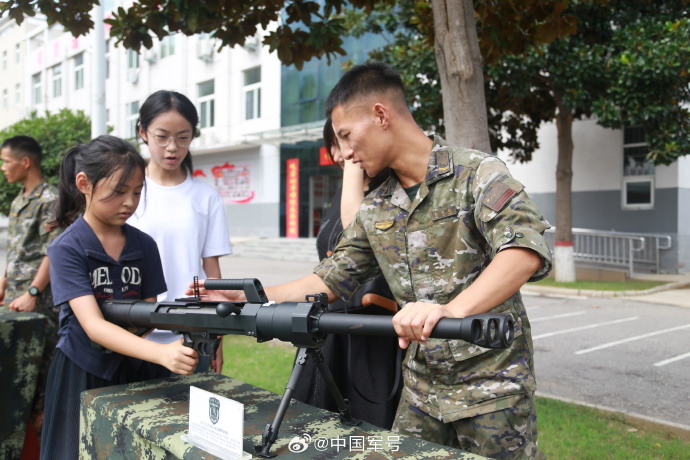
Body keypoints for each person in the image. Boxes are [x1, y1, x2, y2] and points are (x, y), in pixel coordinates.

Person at [192, 63, 552, 459]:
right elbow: (331, 279)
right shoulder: (378, 205)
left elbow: (524, 252)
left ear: (381, 115)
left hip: (492, 388)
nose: (344, 152)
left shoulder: (476, 173)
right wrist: (251, 297)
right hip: (422, 390)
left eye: (346, 135)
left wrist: (448, 310)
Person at [41, 135, 199, 459]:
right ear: (84, 183)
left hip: (138, 368)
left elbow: (148, 310)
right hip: (83, 369)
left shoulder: (144, 245)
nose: (129, 202)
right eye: (118, 191)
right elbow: (93, 326)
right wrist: (160, 354)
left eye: (138, 192)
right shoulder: (67, 248)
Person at [291, 119, 402, 429]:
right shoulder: (343, 193)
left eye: (345, 143)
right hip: (329, 331)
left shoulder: (391, 192)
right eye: (334, 145)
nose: (341, 155)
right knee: (318, 429)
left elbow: (360, 236)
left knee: (367, 433)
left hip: (373, 332)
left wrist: (353, 170)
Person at [128, 90, 232, 373]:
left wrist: (217, 335)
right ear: (143, 132)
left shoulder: (205, 195)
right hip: (136, 332)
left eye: (182, 138)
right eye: (162, 137)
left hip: (192, 334)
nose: (172, 147)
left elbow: (212, 269)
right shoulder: (129, 193)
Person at [0, 135, 61, 436]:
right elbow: (17, 251)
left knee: (39, 381)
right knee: (13, 376)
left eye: (5, 162)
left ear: (25, 162)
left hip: (39, 305)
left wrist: (33, 292)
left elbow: (54, 250)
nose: (3, 168)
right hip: (15, 299)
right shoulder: (19, 200)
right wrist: (4, 282)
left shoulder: (49, 199)